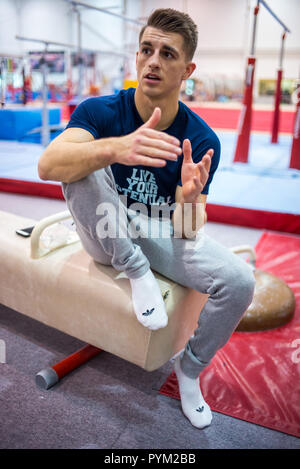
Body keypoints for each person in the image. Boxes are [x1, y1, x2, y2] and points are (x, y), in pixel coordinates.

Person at [38, 8, 255, 429]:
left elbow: (187, 231)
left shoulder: (202, 138)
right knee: (80, 164)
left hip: (157, 229)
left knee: (239, 281)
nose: (153, 61)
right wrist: (113, 149)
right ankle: (136, 271)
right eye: (146, 49)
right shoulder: (101, 110)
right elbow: (48, 166)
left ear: (187, 69)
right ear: (137, 57)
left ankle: (190, 371)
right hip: (105, 230)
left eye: (167, 54)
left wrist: (191, 199)